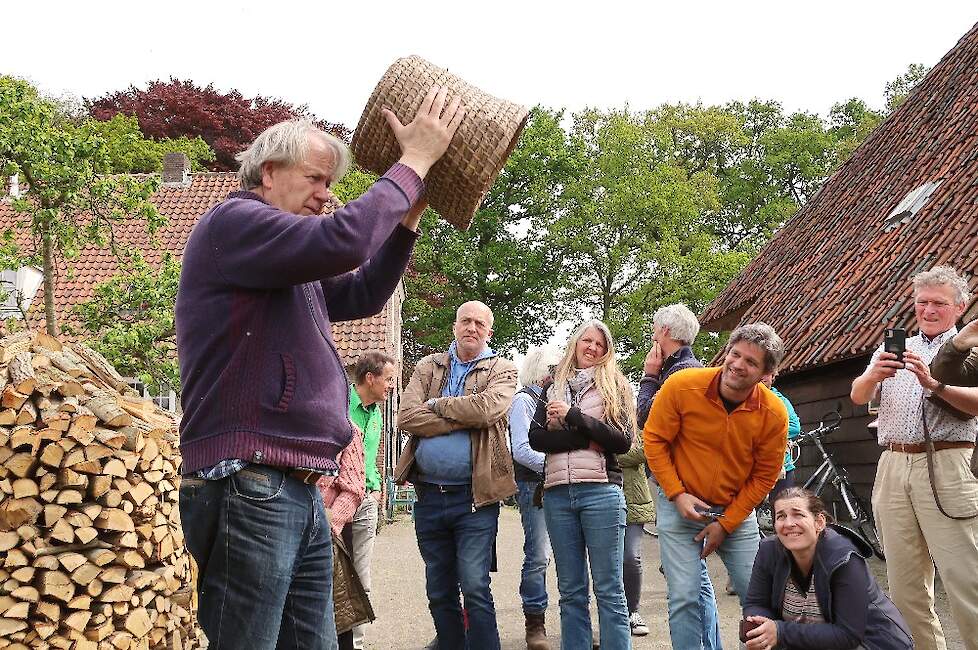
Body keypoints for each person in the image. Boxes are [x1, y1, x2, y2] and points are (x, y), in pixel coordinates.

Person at [176, 86, 464, 649]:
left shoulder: (284, 259)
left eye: (332, 185)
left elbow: (361, 293)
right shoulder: (236, 223)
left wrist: (404, 223)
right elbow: (346, 241)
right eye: (316, 179)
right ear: (267, 173)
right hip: (251, 478)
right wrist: (414, 161)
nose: (326, 196)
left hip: (298, 483)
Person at [851, 265, 978, 650]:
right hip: (892, 464)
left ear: (960, 307)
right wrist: (873, 375)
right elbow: (857, 396)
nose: (928, 310)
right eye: (922, 302)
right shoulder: (895, 346)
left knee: (965, 578)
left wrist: (934, 385)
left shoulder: (971, 347)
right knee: (905, 586)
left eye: (939, 303)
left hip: (946, 462)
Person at [644, 322, 788, 650]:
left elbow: (765, 475)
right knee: (684, 599)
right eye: (735, 354)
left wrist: (726, 523)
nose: (738, 365)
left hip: (735, 511)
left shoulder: (773, 413)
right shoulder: (682, 385)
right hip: (679, 506)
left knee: (759, 600)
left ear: (766, 371)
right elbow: (654, 439)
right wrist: (676, 494)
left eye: (751, 362)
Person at [394, 301, 518, 650]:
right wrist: (463, 415)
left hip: (474, 498)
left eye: (480, 323)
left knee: (475, 586)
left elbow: (488, 409)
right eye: (466, 321)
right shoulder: (427, 366)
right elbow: (406, 417)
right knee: (438, 587)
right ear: (455, 326)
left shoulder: (502, 369)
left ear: (489, 332)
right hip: (429, 495)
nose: (472, 328)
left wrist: (436, 406)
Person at [529, 319, 634, 649]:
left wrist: (574, 417)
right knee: (570, 591)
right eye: (586, 340)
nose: (591, 347)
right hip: (558, 495)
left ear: (606, 352)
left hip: (601, 492)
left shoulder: (615, 386)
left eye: (599, 344)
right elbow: (535, 438)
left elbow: (622, 441)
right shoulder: (551, 387)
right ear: (575, 343)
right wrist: (585, 439)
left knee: (609, 590)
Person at [635, 303, 722, 649]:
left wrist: (648, 375)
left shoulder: (677, 374)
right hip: (695, 483)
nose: (653, 337)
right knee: (696, 578)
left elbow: (645, 418)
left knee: (689, 581)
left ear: (665, 334)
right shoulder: (696, 369)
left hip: (680, 487)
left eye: (655, 331)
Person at [743, 487, 913, 650]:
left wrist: (780, 632)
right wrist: (761, 628)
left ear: (819, 522)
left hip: (871, 643)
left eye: (798, 515)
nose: (789, 523)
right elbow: (756, 602)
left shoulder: (844, 559)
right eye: (781, 516)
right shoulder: (768, 550)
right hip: (810, 639)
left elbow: (848, 634)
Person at [509, 344, 562, 650]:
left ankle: (575, 620)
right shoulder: (523, 402)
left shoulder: (554, 401)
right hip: (534, 486)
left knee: (570, 554)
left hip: (558, 482)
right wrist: (554, 463)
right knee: (539, 554)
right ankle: (535, 622)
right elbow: (521, 449)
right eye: (554, 370)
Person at [346, 351, 396, 649]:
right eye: (388, 379)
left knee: (362, 579)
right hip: (337, 502)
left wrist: (376, 488)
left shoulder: (377, 412)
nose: (391, 385)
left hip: (366, 501)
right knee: (332, 576)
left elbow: (369, 460)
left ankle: (356, 645)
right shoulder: (340, 407)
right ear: (370, 378)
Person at [317, 428, 370, 650]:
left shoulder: (346, 428)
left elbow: (354, 489)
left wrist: (328, 523)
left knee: (333, 612)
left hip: (327, 532)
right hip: (277, 528)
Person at [762, 370, 801, 503]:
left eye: (767, 372)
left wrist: (762, 434)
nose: (762, 376)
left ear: (773, 376)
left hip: (782, 466)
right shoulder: (743, 398)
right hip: (750, 467)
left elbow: (795, 427)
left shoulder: (781, 400)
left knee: (782, 509)